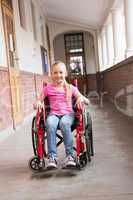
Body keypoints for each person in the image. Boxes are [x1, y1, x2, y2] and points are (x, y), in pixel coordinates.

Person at [35, 61, 90, 169]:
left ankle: (70, 156)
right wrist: (38, 102)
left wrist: (80, 98)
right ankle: (52, 157)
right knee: (50, 124)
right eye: (55, 72)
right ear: (51, 74)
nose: (58, 75)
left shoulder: (70, 88)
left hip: (68, 114)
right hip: (53, 115)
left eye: (61, 72)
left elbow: (84, 99)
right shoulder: (47, 89)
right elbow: (38, 100)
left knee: (64, 123)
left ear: (65, 73)